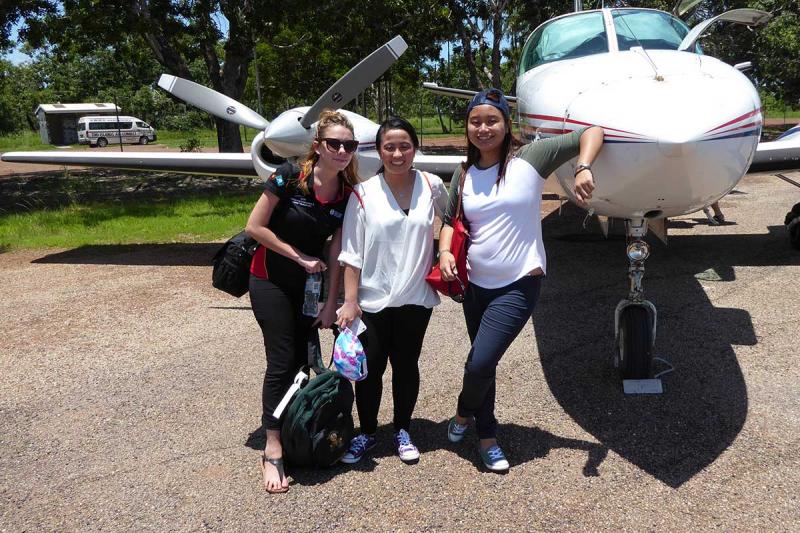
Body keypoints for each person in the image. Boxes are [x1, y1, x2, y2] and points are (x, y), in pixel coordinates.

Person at [438, 88, 604, 472]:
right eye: (475, 121)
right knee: (486, 362)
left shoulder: (531, 158)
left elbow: (591, 132)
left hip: (518, 283)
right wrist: (446, 251)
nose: (483, 128)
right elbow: (450, 221)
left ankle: (464, 413)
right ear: (467, 128)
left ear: (505, 124)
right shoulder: (463, 173)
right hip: (475, 284)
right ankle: (487, 436)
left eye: (491, 120)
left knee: (479, 363)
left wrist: (583, 166)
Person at [245, 110, 360, 493]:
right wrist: (296, 256)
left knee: (302, 361)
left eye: (349, 145)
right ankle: (273, 445)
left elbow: (335, 253)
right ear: (318, 147)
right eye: (335, 144)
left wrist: (332, 302)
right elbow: (254, 227)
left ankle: (297, 429)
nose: (342, 150)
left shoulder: (347, 194)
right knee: (281, 361)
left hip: (310, 287)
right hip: (270, 279)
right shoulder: (289, 177)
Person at [336, 117, 448, 464]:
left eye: (405, 146)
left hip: (415, 298)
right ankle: (367, 432)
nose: (398, 153)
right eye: (389, 147)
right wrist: (350, 301)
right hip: (373, 299)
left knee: (406, 365)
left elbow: (454, 222)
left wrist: (446, 253)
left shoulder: (432, 185)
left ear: (415, 147)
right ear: (379, 150)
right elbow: (352, 254)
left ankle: (402, 429)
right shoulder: (363, 193)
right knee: (369, 368)